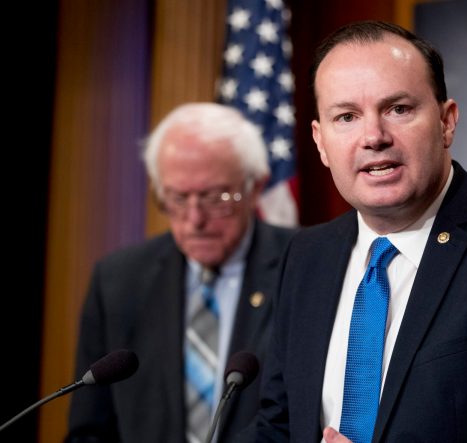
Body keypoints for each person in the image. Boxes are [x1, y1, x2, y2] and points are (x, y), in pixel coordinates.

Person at [239, 21, 467, 442]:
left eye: (399, 109)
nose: (374, 137)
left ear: (447, 121)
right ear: (321, 142)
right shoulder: (306, 255)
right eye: (347, 116)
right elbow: (278, 426)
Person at [66, 102, 296, 442]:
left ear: (256, 188)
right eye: (177, 198)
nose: (194, 220)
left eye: (215, 197)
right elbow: (90, 431)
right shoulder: (118, 280)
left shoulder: (303, 268)